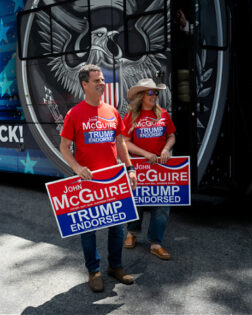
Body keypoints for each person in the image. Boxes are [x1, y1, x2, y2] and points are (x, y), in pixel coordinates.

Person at [59, 64, 137, 293]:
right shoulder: (74, 114)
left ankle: (115, 267)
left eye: (102, 79)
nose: (102, 83)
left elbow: (121, 142)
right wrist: (76, 167)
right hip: (89, 182)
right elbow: (64, 146)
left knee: (117, 228)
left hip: (113, 180)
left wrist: (130, 168)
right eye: (96, 80)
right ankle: (94, 271)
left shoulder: (112, 111)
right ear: (85, 84)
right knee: (89, 230)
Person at [122, 78, 176, 260]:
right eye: (150, 93)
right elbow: (125, 143)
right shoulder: (131, 117)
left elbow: (171, 136)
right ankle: (131, 232)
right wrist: (145, 154)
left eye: (156, 93)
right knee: (137, 201)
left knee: (162, 205)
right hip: (139, 167)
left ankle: (156, 243)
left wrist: (166, 149)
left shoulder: (163, 114)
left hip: (161, 168)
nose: (154, 96)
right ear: (141, 96)